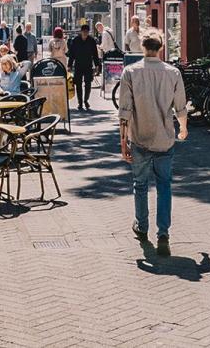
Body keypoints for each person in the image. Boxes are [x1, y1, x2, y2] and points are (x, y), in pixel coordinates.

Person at [118, 32, 188, 258]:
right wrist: (184, 128)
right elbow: (180, 108)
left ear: (142, 46)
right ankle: (163, 233)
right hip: (164, 138)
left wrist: (123, 142)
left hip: (139, 136)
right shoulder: (173, 73)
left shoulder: (130, 72)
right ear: (161, 47)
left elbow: (124, 112)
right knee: (164, 185)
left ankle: (142, 225)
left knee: (140, 184)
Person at [67, 23, 101, 110]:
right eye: (84, 32)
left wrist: (97, 65)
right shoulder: (76, 40)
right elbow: (72, 54)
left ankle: (86, 100)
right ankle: (80, 102)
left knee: (88, 83)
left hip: (88, 65)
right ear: (81, 32)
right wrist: (69, 65)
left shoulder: (91, 41)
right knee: (78, 84)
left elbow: (95, 54)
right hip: (78, 65)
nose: (85, 33)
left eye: (87, 32)